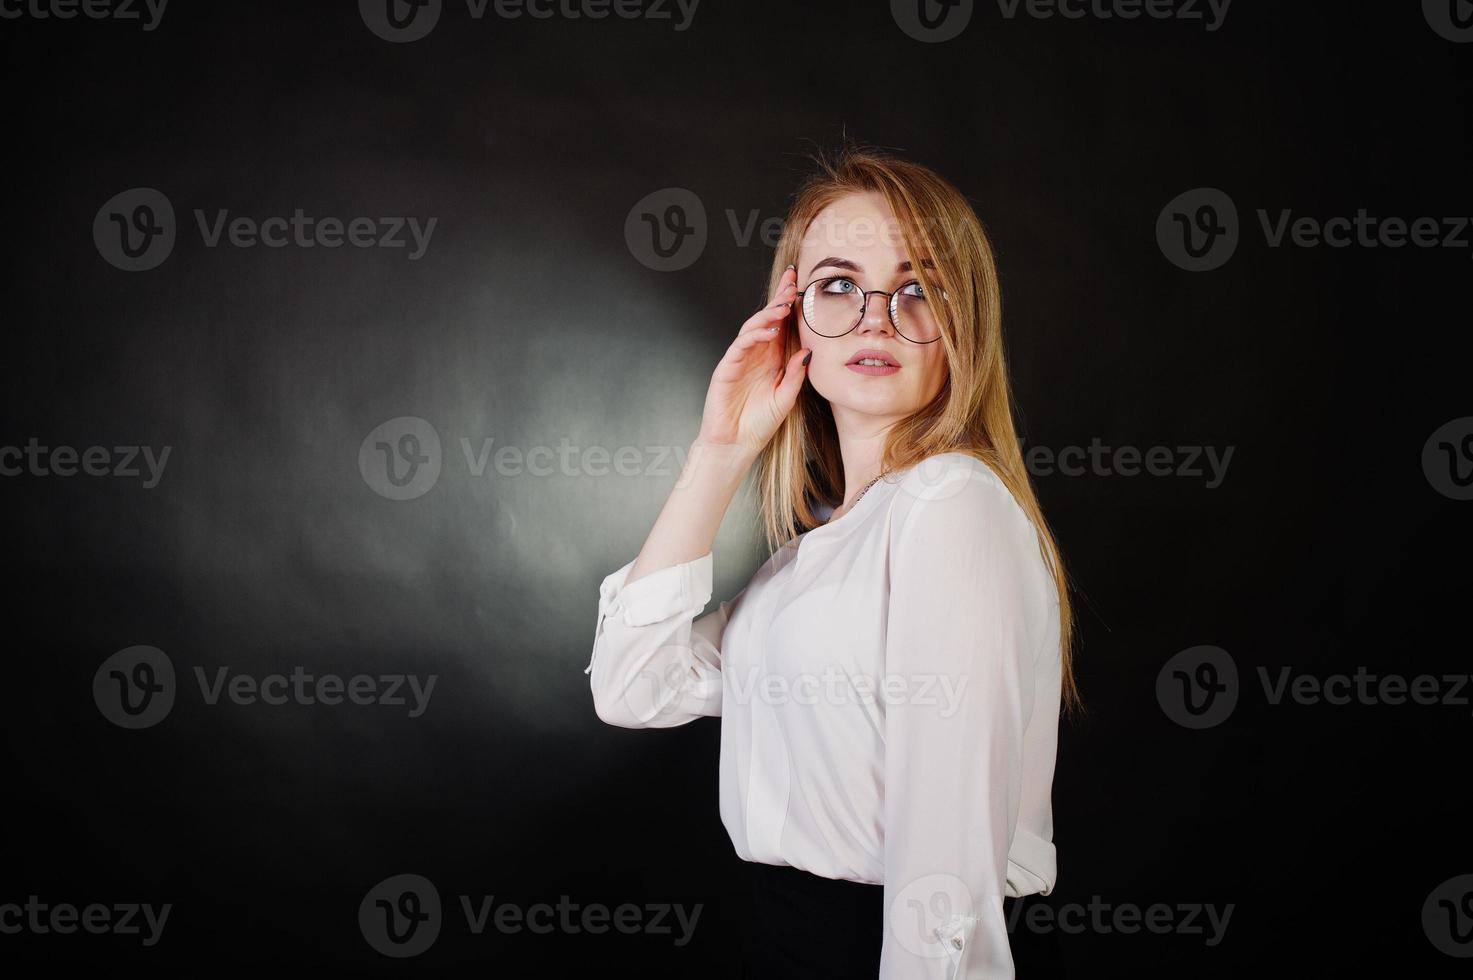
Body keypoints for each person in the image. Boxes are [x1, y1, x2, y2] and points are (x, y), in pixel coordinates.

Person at [584, 146, 1080, 978]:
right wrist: (720, 448)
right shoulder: (808, 561)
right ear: (793, 317)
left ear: (965, 323)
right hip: (789, 939)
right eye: (839, 285)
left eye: (919, 287)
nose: (877, 316)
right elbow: (631, 687)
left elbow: (944, 881)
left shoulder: (949, 504)